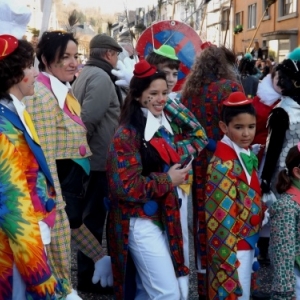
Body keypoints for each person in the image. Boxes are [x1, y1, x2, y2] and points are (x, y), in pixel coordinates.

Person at [106, 60, 208, 299]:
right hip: (139, 222)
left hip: (162, 218)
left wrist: (164, 102)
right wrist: (167, 180)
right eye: (153, 93)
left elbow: (199, 134)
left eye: (165, 93)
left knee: (146, 290)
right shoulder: (127, 134)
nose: (161, 98)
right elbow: (125, 187)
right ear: (137, 96)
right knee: (166, 294)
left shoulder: (165, 129)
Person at [24, 30, 113, 300]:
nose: (74, 62)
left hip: (69, 185)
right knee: (55, 258)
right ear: (46, 60)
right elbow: (45, 156)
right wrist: (54, 202)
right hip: (56, 190)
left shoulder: (61, 89)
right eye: (65, 57)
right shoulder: (41, 94)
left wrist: (99, 255)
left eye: (76, 56)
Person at [181, 43, 243, 298]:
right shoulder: (230, 88)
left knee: (202, 225)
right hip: (225, 163)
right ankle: (228, 285)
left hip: (196, 163)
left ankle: (205, 283)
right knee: (229, 221)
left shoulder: (189, 92)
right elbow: (241, 130)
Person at [0, 34, 57, 299]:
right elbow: (14, 212)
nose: (36, 72)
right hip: (16, 248)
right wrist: (46, 283)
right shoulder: (4, 129)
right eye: (30, 65)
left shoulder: (13, 112)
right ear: (14, 73)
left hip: (28, 238)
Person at [71, 33, 123, 293]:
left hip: (92, 156)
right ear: (108, 54)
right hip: (98, 158)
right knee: (92, 218)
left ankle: (88, 274)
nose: (117, 60)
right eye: (116, 55)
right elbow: (87, 119)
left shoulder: (86, 73)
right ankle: (89, 277)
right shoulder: (102, 77)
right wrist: (81, 154)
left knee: (89, 216)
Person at [205, 91, 263, 300]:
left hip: (246, 244)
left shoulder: (243, 153)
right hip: (232, 249)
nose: (247, 133)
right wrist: (227, 267)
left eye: (251, 127)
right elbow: (221, 220)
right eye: (239, 127)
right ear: (224, 127)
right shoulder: (223, 165)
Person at [269, 144, 300, 299]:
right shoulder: (286, 207)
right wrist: (285, 293)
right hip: (295, 284)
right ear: (297, 172)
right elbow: (282, 254)